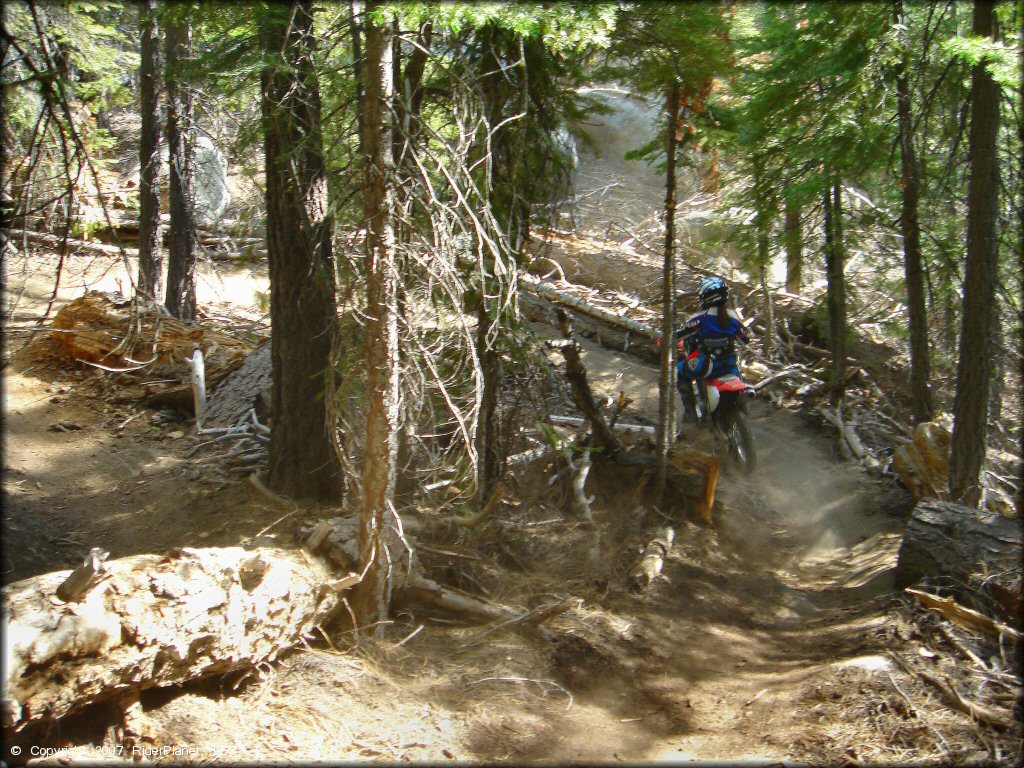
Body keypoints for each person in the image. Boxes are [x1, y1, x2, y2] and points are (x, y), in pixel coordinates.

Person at [676, 276, 750, 423]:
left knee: (679, 371)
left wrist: (663, 338)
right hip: (730, 366)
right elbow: (745, 339)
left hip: (707, 366)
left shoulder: (699, 318)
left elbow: (678, 334)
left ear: (705, 297)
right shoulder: (732, 316)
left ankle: (690, 415)